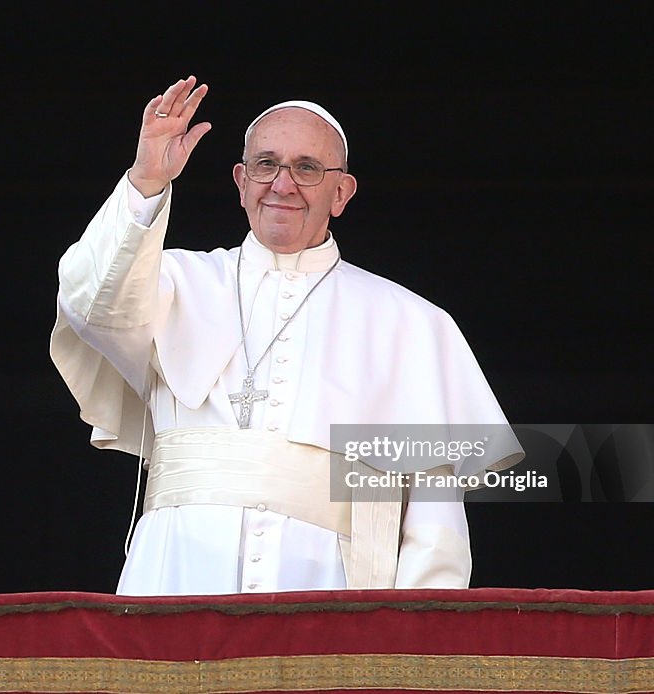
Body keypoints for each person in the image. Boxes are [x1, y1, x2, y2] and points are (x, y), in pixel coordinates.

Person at [51, 76, 522, 595]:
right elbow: (89, 304)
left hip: (332, 591)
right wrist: (147, 180)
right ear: (240, 181)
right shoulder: (173, 283)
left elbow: (435, 513)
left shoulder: (411, 322)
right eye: (266, 164)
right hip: (176, 574)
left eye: (307, 168)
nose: (282, 184)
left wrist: (410, 638)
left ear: (341, 193)